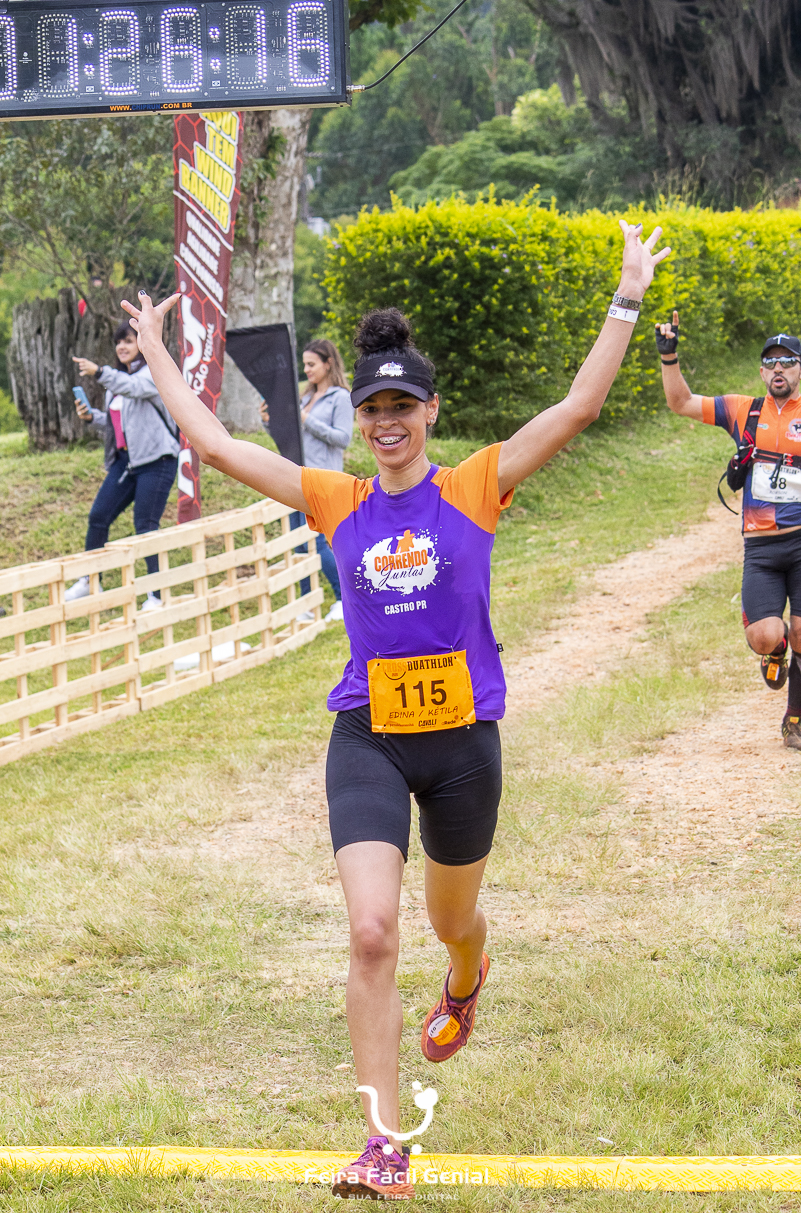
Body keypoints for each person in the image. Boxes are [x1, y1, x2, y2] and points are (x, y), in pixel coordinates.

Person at [122, 218, 669, 1201]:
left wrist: (626, 295)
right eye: (372, 406)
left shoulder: (475, 486)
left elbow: (579, 406)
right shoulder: (336, 499)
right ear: (360, 414)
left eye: (401, 407)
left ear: (428, 411)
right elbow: (211, 441)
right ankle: (382, 1143)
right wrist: (156, 345)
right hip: (368, 737)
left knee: (450, 920)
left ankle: (467, 974)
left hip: (461, 748)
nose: (384, 421)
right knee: (373, 931)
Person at [656, 314, 801, 750]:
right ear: (761, 372)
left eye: (788, 361)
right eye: (770, 362)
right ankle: (776, 649)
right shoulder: (744, 410)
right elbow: (681, 402)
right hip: (761, 548)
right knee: (764, 636)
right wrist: (669, 357)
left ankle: (795, 719)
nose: (778, 368)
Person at [66, 320, 180, 609]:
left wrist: (99, 372)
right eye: (118, 342)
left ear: (141, 344)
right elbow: (118, 423)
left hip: (157, 460)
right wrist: (92, 417)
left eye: (128, 341)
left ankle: (156, 595)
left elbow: (133, 388)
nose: (122, 347)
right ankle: (91, 581)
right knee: (98, 516)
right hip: (127, 462)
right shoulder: (116, 384)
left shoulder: (152, 374)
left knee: (145, 525)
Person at [288, 339, 353, 626]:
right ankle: (306, 604)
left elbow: (342, 438)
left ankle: (343, 600)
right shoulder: (304, 398)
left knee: (319, 542)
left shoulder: (341, 397)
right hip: (295, 478)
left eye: (311, 364)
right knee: (298, 544)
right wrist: (268, 421)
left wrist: (306, 419)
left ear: (328, 364)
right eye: (304, 364)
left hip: (324, 479)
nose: (306, 370)